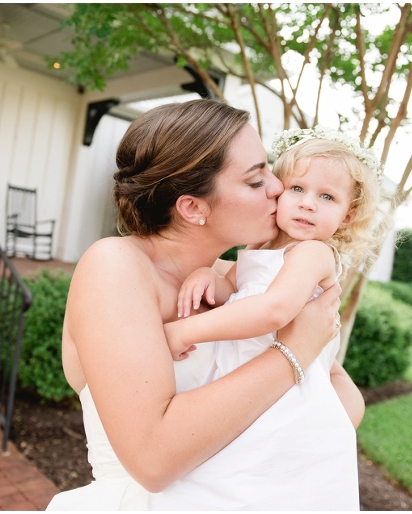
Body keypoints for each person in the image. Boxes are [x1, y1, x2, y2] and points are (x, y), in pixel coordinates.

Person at [46, 100, 363, 511]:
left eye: (269, 168)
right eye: (255, 180)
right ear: (193, 207)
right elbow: (153, 460)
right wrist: (292, 354)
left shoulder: (243, 279)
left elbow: (336, 387)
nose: (277, 188)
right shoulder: (117, 267)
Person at [151, 127, 389, 510]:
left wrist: (185, 330)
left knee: (251, 486)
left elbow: (272, 309)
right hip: (247, 377)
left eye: (326, 197)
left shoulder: (313, 254)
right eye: (297, 189)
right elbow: (238, 291)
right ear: (278, 189)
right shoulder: (261, 247)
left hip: (281, 392)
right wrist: (208, 276)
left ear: (349, 215)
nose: (308, 204)